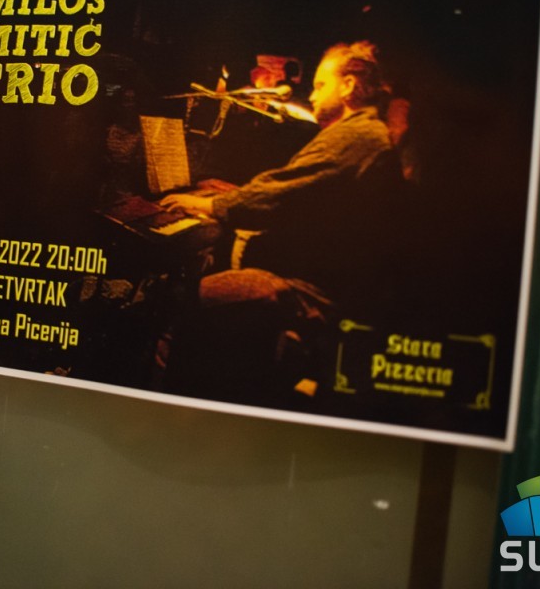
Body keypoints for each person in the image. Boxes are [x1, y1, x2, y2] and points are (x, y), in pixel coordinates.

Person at [156, 41, 403, 402]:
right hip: (321, 281)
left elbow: (281, 192)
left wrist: (211, 204)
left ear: (349, 86)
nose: (312, 96)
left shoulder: (359, 135)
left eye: (320, 85)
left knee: (182, 300)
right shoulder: (360, 133)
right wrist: (238, 196)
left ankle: (170, 400)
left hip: (314, 292)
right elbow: (298, 191)